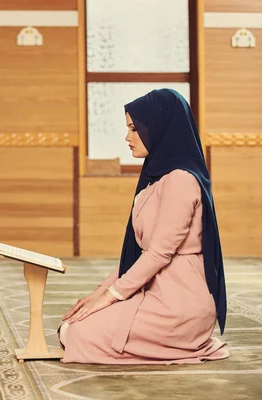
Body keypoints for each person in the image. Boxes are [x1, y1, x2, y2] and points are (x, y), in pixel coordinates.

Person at [58, 88, 230, 364]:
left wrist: (110, 297)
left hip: (180, 302)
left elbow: (159, 252)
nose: (128, 137)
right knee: (71, 325)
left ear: (160, 129)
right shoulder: (158, 178)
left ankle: (184, 341)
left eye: (135, 129)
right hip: (158, 290)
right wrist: (100, 292)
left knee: (75, 332)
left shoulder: (180, 180)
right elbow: (140, 253)